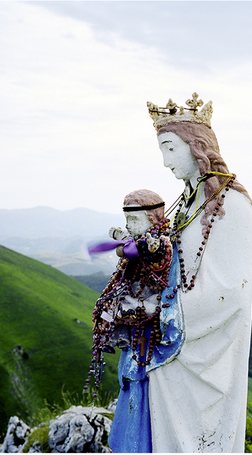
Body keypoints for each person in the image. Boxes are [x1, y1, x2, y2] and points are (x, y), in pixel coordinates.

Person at [143, 93, 252, 452]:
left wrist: (159, 314)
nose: (164, 162)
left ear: (197, 147)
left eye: (170, 148)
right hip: (178, 341)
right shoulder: (188, 204)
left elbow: (233, 294)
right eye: (161, 150)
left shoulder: (231, 206)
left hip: (205, 350)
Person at [88, 190, 178, 454]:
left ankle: (140, 445)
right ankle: (127, 443)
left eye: (135, 220)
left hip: (148, 335)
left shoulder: (159, 244)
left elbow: (154, 253)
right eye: (127, 220)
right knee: (130, 379)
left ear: (153, 217)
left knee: (140, 379)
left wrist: (133, 244)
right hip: (137, 331)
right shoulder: (138, 242)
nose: (130, 226)